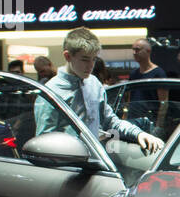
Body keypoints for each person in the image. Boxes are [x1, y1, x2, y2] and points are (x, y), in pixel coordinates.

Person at [34, 28, 165, 156]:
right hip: (67, 166)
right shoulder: (51, 92)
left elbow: (110, 121)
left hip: (96, 160)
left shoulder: (93, 83)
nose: (90, 65)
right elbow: (45, 141)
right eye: (85, 59)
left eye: (94, 59)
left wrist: (138, 133)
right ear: (68, 56)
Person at [127, 38, 168, 132]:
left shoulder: (158, 73)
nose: (134, 52)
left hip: (149, 123)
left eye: (137, 49)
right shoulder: (133, 74)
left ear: (148, 51)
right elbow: (129, 100)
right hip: (132, 122)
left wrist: (159, 126)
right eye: (133, 49)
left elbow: (164, 103)